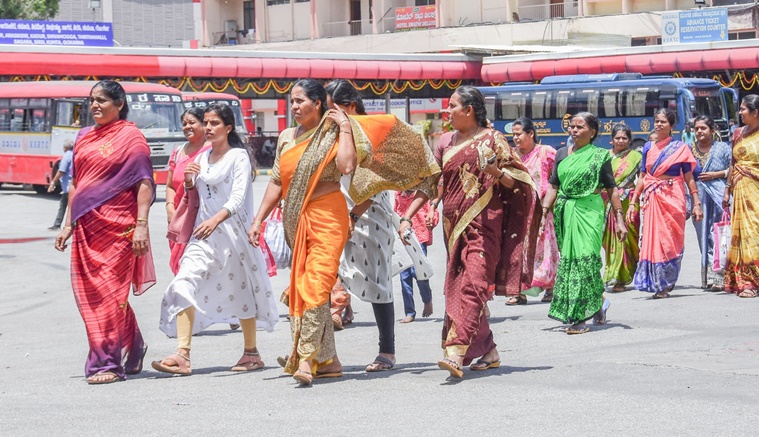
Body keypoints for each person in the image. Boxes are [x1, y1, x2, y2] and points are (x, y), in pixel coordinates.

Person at [247, 79, 438, 385]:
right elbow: (276, 183)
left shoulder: (336, 131)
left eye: (300, 101)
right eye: (291, 101)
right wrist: (258, 220)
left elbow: (348, 167)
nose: (294, 107)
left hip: (332, 216)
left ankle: (307, 357)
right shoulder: (286, 137)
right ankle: (329, 360)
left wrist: (346, 128)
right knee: (304, 283)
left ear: (318, 103)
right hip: (298, 219)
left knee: (319, 282)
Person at [400, 86, 541, 378]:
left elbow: (519, 183)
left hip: (485, 225)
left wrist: (496, 174)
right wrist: (407, 216)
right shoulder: (446, 143)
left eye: (452, 106)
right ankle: (488, 351)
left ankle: (456, 351)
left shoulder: (493, 139)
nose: (447, 111)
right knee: (460, 286)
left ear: (469, 110)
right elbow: (430, 183)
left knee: (473, 284)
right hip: (453, 229)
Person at [152, 104, 278, 376]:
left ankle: (251, 353)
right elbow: (198, 194)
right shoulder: (203, 155)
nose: (207, 128)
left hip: (233, 235)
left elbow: (237, 198)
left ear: (228, 128)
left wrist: (216, 220)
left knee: (241, 289)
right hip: (202, 235)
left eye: (214, 123)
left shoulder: (238, 158)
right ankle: (183, 354)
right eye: (206, 123)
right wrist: (189, 183)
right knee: (183, 281)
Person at [53, 80, 155, 384]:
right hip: (86, 227)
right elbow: (75, 185)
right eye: (92, 100)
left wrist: (141, 226)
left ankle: (106, 363)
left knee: (110, 293)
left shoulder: (132, 138)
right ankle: (134, 344)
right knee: (93, 293)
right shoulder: (83, 137)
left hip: (120, 228)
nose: (95, 105)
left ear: (119, 104)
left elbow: (144, 183)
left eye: (102, 100)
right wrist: (67, 224)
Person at [542, 112, 625, 334]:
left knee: (587, 260)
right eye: (572, 126)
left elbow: (611, 188)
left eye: (580, 127)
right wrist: (542, 213)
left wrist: (619, 219)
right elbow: (553, 186)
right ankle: (598, 304)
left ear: (593, 132)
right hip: (566, 211)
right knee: (572, 261)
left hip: (590, 211)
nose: (574, 130)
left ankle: (579, 317)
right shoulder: (560, 154)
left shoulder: (600, 156)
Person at [628, 109, 703, 299]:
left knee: (671, 240)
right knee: (653, 239)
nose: (659, 124)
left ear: (671, 126)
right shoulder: (647, 147)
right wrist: (633, 201)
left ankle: (668, 280)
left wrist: (696, 202)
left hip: (673, 196)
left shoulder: (680, 148)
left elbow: (688, 177)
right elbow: (643, 176)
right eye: (657, 121)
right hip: (653, 195)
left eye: (663, 122)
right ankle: (658, 283)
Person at [507, 117, 558, 305]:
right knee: (518, 251)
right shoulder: (511, 156)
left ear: (531, 134)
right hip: (518, 212)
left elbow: (557, 180)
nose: (515, 138)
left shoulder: (546, 153)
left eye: (519, 133)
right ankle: (519, 291)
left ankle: (550, 288)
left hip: (542, 210)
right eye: (513, 134)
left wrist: (549, 204)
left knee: (545, 250)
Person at [165, 107, 212, 274]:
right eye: (184, 124)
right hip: (178, 219)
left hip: (203, 220)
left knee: (196, 269)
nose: (187, 127)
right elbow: (170, 184)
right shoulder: (178, 151)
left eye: (192, 122)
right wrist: (170, 208)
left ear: (204, 124)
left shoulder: (213, 151)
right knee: (180, 268)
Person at [723, 95, 759, 298]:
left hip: (757, 191)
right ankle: (747, 282)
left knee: (755, 233)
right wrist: (727, 189)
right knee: (744, 235)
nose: (740, 113)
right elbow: (733, 163)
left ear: (755, 112)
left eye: (744, 109)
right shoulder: (738, 133)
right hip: (740, 191)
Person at [690, 115, 731, 290]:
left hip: (719, 196)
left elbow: (734, 168)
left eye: (703, 128)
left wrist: (716, 175)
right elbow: (685, 175)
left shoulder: (723, 148)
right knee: (703, 235)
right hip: (698, 197)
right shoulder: (689, 150)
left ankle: (720, 275)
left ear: (712, 130)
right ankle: (708, 276)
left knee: (720, 235)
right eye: (697, 128)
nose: (699, 131)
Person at [602, 124, 642, 292]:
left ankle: (622, 278)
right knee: (610, 240)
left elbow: (642, 179)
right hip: (606, 202)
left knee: (627, 239)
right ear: (612, 140)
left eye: (624, 138)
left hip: (628, 201)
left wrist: (634, 198)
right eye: (617, 138)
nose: (620, 141)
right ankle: (612, 273)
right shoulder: (604, 156)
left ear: (629, 140)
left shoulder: (636, 157)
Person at [394, 189, 436, 322]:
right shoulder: (398, 193)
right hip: (402, 238)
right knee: (404, 275)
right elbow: (395, 213)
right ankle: (409, 312)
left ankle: (427, 299)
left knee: (419, 273)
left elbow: (432, 211)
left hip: (420, 237)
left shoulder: (423, 193)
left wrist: (432, 221)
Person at [47, 140, 75, 230]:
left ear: (64, 148)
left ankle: (59, 225)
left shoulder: (66, 156)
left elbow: (61, 171)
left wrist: (53, 182)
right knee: (66, 205)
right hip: (74, 186)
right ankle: (60, 224)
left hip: (68, 187)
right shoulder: (75, 155)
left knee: (64, 206)